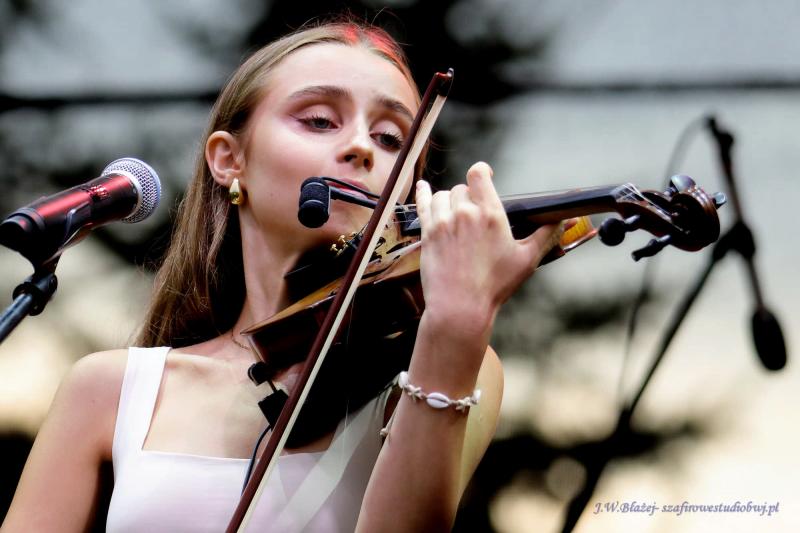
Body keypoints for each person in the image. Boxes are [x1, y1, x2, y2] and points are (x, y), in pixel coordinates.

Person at [3, 19, 561, 532]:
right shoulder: (111, 390)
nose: (361, 147)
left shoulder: (444, 362)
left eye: (391, 138)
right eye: (319, 121)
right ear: (230, 161)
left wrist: (455, 328)